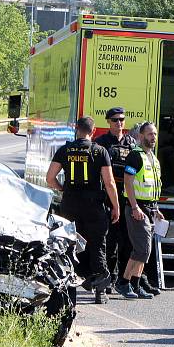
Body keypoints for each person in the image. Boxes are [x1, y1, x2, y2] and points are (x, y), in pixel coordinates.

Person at [46, 116, 120, 304]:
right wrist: (116, 206)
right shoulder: (99, 151)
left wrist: (63, 189)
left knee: (70, 246)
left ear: (76, 129)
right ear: (93, 131)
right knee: (97, 246)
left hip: (70, 205)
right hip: (94, 206)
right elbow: (110, 183)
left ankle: (69, 292)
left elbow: (50, 178)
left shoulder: (65, 150)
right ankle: (100, 291)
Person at [93, 108, 152, 294]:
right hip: (108, 198)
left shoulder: (132, 143)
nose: (119, 123)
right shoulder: (101, 144)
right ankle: (108, 279)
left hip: (127, 198)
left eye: (122, 120)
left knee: (128, 241)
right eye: (115, 120)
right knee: (109, 241)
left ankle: (127, 281)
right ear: (108, 122)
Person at [117, 121, 164, 300]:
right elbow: (128, 182)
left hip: (149, 209)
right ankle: (123, 282)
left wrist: (156, 209)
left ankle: (135, 285)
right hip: (137, 208)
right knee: (142, 249)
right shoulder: (135, 156)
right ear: (142, 136)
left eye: (155, 134)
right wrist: (135, 206)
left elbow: (153, 186)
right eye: (150, 134)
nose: (153, 138)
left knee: (145, 250)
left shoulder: (152, 158)